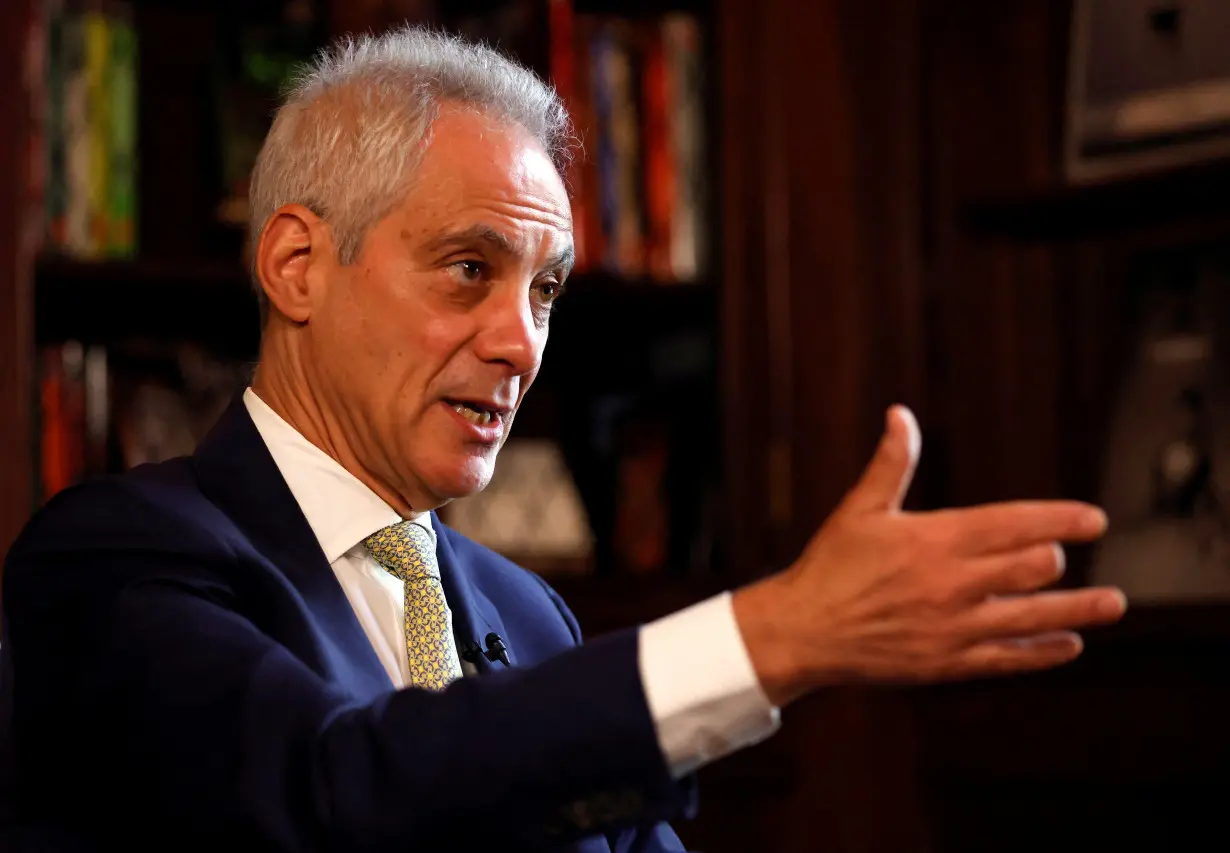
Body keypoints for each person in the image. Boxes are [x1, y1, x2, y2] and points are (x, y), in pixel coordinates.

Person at [0, 26, 1127, 853]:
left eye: (546, 291)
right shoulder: (116, 556)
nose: (521, 344)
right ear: (298, 265)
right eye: (470, 271)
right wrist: (774, 633)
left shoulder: (532, 619)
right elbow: (340, 795)